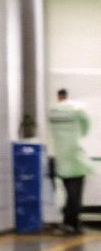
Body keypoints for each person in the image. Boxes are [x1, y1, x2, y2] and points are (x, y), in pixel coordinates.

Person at [48, 88, 92, 234]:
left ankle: (70, 223)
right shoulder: (77, 110)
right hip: (76, 160)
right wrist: (80, 134)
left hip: (62, 161)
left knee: (68, 195)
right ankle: (73, 224)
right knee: (76, 196)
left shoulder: (53, 112)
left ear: (58, 97)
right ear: (67, 96)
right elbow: (86, 125)